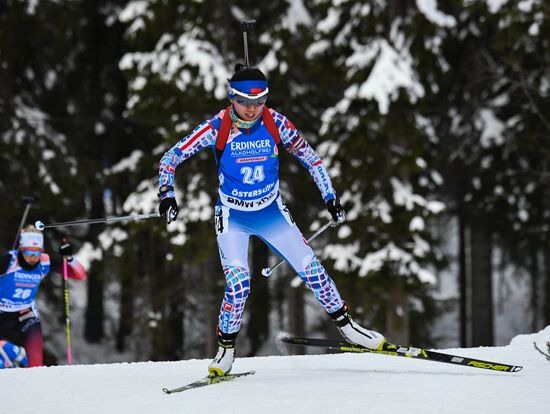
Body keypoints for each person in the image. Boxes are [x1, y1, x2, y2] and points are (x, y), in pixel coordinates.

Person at [158, 64, 386, 377]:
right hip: (233, 217)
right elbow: (170, 158)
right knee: (239, 285)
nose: (252, 110)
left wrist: (330, 197)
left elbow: (311, 158)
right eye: (244, 102)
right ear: (231, 97)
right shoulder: (217, 127)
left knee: (313, 270)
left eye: (259, 102)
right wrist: (167, 195)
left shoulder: (276, 122)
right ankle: (225, 349)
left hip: (270, 212)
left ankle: (348, 328)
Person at [0, 226, 87, 367]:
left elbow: (80, 275)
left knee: (36, 363)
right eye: (28, 252)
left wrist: (70, 258)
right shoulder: (9, 260)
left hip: (25, 314)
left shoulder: (44, 262)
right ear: (21, 249)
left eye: (37, 253)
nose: (33, 257)